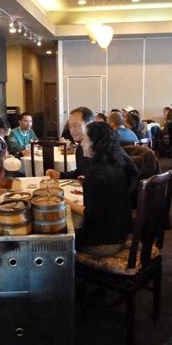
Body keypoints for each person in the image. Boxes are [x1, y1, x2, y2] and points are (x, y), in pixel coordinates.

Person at [64, 122, 137, 256]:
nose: (81, 143)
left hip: (104, 243)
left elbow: (92, 215)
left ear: (95, 144)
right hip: (121, 233)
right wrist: (87, 185)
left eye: (85, 139)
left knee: (61, 240)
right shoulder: (115, 164)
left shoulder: (95, 174)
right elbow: (108, 194)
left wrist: (67, 203)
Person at [46, 106, 94, 180]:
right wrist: (59, 175)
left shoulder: (101, 148)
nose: (72, 130)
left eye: (76, 125)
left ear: (89, 124)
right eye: (70, 126)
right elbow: (80, 172)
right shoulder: (80, 148)